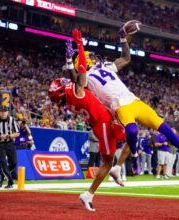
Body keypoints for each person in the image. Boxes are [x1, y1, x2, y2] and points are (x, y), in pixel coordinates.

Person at [67, 22, 179, 186]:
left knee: (165, 128)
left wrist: (123, 39)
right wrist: (77, 49)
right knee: (132, 130)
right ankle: (134, 157)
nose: (94, 57)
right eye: (90, 56)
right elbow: (77, 78)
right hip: (120, 106)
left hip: (134, 101)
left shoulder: (106, 66)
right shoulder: (86, 78)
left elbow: (126, 58)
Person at [48, 30, 125, 212]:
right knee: (107, 161)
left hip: (106, 119)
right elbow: (80, 73)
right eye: (61, 83)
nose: (63, 80)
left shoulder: (71, 100)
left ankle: (117, 169)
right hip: (103, 125)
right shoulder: (75, 92)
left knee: (132, 132)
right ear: (62, 91)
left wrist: (69, 61)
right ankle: (89, 193)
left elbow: (76, 77)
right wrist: (80, 47)